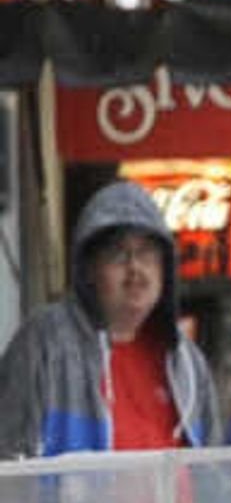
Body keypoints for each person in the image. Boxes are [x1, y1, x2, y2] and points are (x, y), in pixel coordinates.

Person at [0, 182, 212, 459]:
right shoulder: (45, 344)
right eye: (117, 253)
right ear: (88, 269)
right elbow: (8, 468)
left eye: (147, 252)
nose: (135, 267)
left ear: (165, 267)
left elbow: (213, 476)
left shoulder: (186, 359)